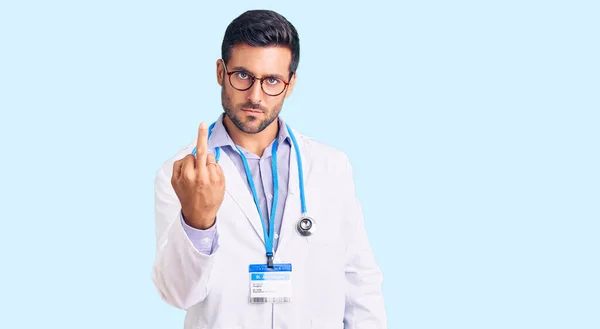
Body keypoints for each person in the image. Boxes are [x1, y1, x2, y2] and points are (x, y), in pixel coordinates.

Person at [152, 9, 387, 329]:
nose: (255, 95)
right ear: (221, 72)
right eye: (243, 75)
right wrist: (198, 220)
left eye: (272, 80)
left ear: (290, 85)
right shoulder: (182, 173)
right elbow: (178, 295)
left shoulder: (331, 166)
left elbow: (360, 284)